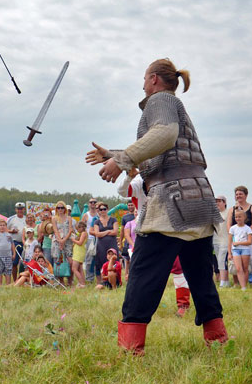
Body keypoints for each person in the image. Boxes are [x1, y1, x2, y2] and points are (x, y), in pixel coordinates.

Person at [86, 58, 227, 353]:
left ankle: (130, 349)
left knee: (142, 275)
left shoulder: (160, 99)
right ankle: (218, 341)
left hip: (171, 202)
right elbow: (165, 152)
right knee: (200, 277)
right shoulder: (173, 103)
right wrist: (113, 153)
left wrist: (121, 160)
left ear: (153, 79)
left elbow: (164, 135)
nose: (142, 83)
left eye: (143, 78)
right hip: (197, 199)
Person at [226, 186, 252, 287]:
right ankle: (238, 284)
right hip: (235, 239)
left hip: (250, 238)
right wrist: (235, 236)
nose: (238, 196)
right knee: (236, 263)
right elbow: (229, 225)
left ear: (246, 195)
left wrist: (245, 235)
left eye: (241, 194)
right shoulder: (231, 210)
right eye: (237, 194)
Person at [91, 202, 118, 281]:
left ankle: (114, 280)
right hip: (101, 245)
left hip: (112, 244)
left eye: (104, 209)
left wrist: (103, 232)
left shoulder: (113, 219)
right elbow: (97, 234)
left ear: (107, 209)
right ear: (98, 211)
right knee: (101, 262)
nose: (103, 211)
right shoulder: (97, 222)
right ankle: (102, 281)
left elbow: (115, 232)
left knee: (113, 261)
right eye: (101, 209)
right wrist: (108, 231)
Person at [228, 209, 252, 290]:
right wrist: (229, 253)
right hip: (235, 250)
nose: (238, 218)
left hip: (245, 250)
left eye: (239, 216)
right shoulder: (232, 228)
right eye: (236, 217)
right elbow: (229, 242)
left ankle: (244, 286)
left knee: (245, 268)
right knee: (238, 268)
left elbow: (249, 242)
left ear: (244, 217)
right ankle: (242, 286)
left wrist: (239, 243)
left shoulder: (248, 228)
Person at [51, 200, 74, 286]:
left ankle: (70, 280)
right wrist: (60, 240)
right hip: (57, 241)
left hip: (67, 241)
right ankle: (61, 281)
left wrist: (64, 240)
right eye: (58, 208)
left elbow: (70, 230)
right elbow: (55, 230)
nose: (60, 209)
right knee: (58, 261)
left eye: (62, 208)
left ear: (65, 209)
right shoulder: (54, 218)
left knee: (70, 262)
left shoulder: (69, 218)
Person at [0, 219, 15, 285]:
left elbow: (12, 245)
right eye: (0, 225)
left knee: (8, 271)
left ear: (6, 226)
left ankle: (8, 284)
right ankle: (0, 285)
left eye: (3, 225)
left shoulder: (9, 235)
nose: (2, 226)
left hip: (8, 256)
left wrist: (14, 254)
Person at [212, 195, 230, 287]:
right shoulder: (214, 214)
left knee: (222, 260)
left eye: (220, 201)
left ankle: (223, 282)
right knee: (219, 261)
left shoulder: (228, 212)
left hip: (225, 240)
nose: (217, 203)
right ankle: (226, 281)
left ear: (224, 202)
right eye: (216, 201)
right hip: (215, 240)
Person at [7, 202, 27, 281]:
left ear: (24, 209)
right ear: (15, 210)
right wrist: (11, 231)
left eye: (21, 209)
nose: (20, 210)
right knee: (14, 263)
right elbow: (4, 229)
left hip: (25, 242)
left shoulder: (26, 218)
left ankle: (22, 279)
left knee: (24, 262)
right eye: (18, 209)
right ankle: (15, 280)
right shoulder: (11, 219)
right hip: (15, 242)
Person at [81, 199, 99, 282]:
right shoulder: (86, 215)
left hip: (98, 238)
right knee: (89, 259)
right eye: (91, 202)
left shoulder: (99, 214)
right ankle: (89, 278)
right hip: (89, 239)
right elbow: (81, 227)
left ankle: (99, 277)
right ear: (89, 204)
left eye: (94, 202)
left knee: (98, 259)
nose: (93, 204)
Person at [71, 221, 88, 287]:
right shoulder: (82, 233)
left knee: (74, 269)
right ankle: (82, 282)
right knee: (80, 268)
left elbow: (80, 243)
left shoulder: (84, 233)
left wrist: (73, 240)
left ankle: (81, 283)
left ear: (81, 227)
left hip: (79, 253)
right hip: (78, 252)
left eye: (78, 228)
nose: (77, 230)